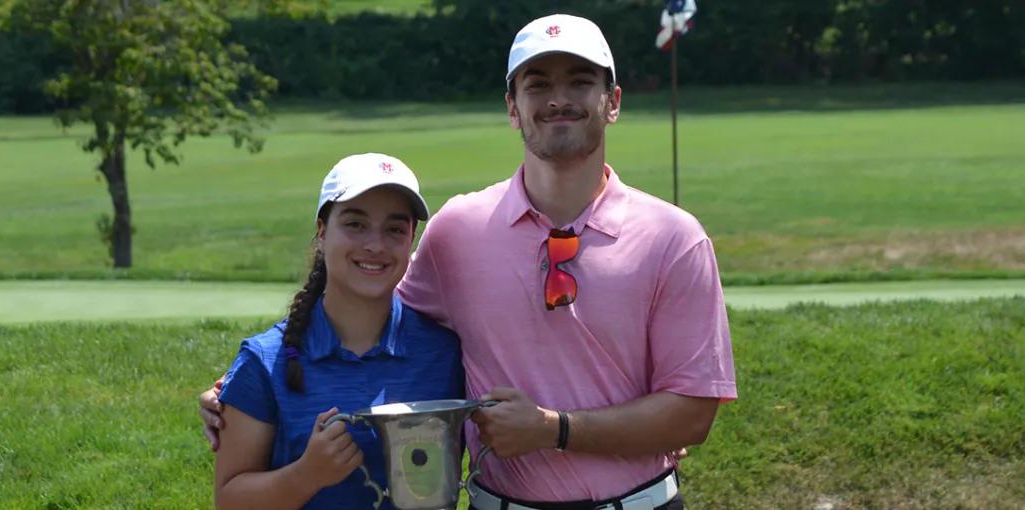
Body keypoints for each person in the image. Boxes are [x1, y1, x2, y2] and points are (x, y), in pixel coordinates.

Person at [204, 14, 737, 510]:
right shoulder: (458, 231)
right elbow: (364, 303)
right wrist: (244, 383)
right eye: (537, 85)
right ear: (512, 107)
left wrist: (557, 429)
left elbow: (692, 413)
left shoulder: (675, 237)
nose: (559, 99)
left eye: (580, 81)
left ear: (612, 101)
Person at [211, 153, 465, 510]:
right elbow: (229, 501)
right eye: (356, 224)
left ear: (411, 239)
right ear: (322, 231)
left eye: (394, 229)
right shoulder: (264, 362)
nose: (375, 245)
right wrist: (306, 475)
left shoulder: (446, 353)